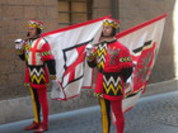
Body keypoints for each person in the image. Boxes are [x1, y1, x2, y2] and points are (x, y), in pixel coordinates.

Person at [86, 18, 133, 133]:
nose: (105, 30)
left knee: (117, 112)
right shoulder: (99, 46)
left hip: (114, 82)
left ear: (114, 29)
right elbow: (92, 65)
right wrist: (89, 55)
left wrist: (121, 81)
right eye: (104, 28)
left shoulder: (122, 48)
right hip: (101, 81)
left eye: (108, 28)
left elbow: (127, 68)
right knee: (104, 113)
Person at [15, 20, 57, 133]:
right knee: (34, 99)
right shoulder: (28, 42)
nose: (30, 31)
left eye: (32, 29)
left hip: (39, 72)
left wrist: (53, 74)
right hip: (29, 71)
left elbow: (50, 60)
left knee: (42, 99)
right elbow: (24, 58)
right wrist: (19, 50)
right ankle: (36, 121)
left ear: (38, 30)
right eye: (29, 29)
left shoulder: (43, 42)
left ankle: (45, 123)